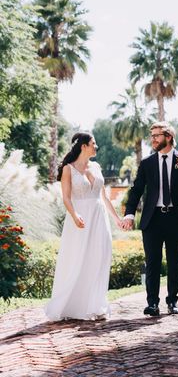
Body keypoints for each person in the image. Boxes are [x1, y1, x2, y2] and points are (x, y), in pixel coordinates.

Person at [122, 121, 178, 316]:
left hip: (176, 218)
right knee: (153, 263)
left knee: (174, 262)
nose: (153, 139)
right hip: (152, 219)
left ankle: (173, 302)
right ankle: (153, 304)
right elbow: (137, 190)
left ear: (168, 137)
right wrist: (130, 214)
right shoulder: (147, 163)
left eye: (157, 135)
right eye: (152, 136)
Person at [45, 132, 124, 321]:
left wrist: (116, 219)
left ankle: (95, 304)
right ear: (83, 146)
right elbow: (65, 197)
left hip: (99, 218)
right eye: (93, 143)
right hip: (79, 220)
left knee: (100, 257)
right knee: (78, 258)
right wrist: (74, 215)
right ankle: (73, 305)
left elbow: (104, 197)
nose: (96, 147)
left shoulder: (96, 167)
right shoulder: (68, 169)